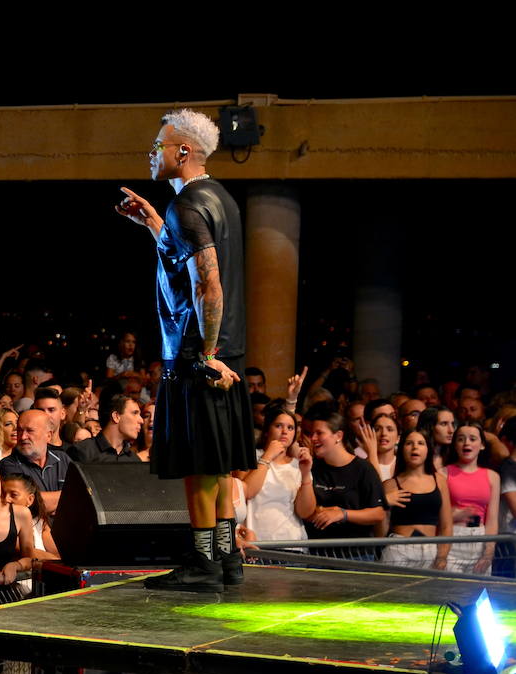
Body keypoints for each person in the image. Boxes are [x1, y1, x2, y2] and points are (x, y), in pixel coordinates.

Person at [115, 108, 255, 592]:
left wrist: (205, 354)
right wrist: (154, 222)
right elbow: (184, 259)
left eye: (158, 145)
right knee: (216, 463)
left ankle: (202, 564)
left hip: (198, 356)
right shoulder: (220, 199)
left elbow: (208, 284)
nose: (151, 153)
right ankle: (223, 556)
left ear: (181, 151)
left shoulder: (188, 205)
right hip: (223, 351)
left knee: (200, 464)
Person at [295, 411, 387, 542]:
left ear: (338, 436)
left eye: (319, 433)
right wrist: (305, 475)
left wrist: (342, 514)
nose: (313, 438)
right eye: (311, 434)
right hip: (318, 551)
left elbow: (378, 513)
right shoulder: (312, 467)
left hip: (354, 553)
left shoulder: (363, 469)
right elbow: (304, 513)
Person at [381, 430, 453, 570]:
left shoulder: (440, 480)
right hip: (398, 549)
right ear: (401, 449)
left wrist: (442, 556)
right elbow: (381, 532)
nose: (415, 447)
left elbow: (446, 525)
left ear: (428, 450)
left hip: (430, 550)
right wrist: (384, 503)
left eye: (421, 443)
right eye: (409, 443)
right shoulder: (390, 484)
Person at [236, 406, 308, 544]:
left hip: (293, 543)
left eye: (290, 428)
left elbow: (305, 513)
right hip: (257, 542)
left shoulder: (298, 464)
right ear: (267, 430)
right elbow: (247, 492)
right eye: (278, 426)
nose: (285, 431)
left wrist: (305, 475)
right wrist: (267, 456)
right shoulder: (250, 458)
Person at [446, 422, 500, 574]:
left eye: (472, 439)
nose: (466, 443)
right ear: (455, 444)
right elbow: (437, 516)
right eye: (461, 439)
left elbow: (492, 519)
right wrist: (456, 515)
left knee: (478, 593)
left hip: (480, 537)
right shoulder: (443, 473)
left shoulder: (492, 477)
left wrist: (488, 553)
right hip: (452, 537)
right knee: (451, 592)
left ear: (482, 445)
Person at [0, 409, 70, 515]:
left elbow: (84, 496)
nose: (23, 437)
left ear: (48, 435)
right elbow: (28, 503)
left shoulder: (63, 458)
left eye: (30, 431)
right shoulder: (9, 464)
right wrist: (69, 497)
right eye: (20, 430)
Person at [68, 392, 144, 464]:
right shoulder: (82, 451)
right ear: (116, 416)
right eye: (135, 413)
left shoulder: (134, 460)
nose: (141, 420)